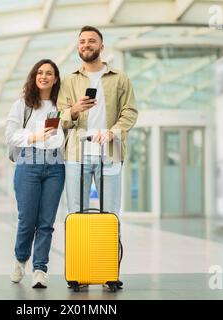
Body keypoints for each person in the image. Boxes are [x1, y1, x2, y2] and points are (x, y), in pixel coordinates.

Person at [58, 26, 138, 288]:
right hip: (77, 155)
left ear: (101, 46)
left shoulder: (120, 78)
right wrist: (74, 110)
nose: (86, 45)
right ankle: (78, 272)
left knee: (110, 213)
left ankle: (108, 273)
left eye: (92, 41)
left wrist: (114, 132)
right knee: (77, 213)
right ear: (78, 47)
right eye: (81, 41)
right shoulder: (69, 81)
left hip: (110, 153)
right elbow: (61, 119)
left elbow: (130, 112)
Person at [5, 59, 65, 289]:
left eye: (49, 73)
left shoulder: (61, 103)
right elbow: (10, 135)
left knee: (46, 222)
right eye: (40, 72)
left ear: (56, 78)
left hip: (55, 164)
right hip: (28, 162)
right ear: (34, 76)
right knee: (27, 220)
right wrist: (35, 136)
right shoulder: (23, 103)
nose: (44, 76)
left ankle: (40, 269)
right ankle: (21, 260)